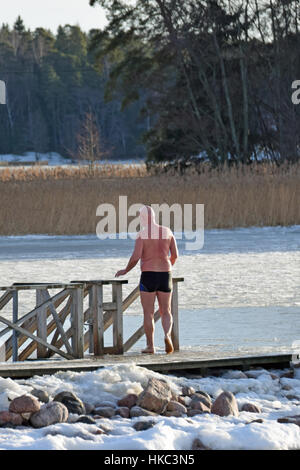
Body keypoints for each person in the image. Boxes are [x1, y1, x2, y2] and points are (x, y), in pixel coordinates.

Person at [115, 205, 178, 354]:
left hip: (148, 275)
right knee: (166, 311)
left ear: (142, 218)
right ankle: (167, 335)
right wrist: (167, 266)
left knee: (148, 313)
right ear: (154, 217)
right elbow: (175, 255)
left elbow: (136, 257)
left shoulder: (142, 234)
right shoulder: (167, 231)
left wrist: (125, 270)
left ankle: (150, 346)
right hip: (165, 274)